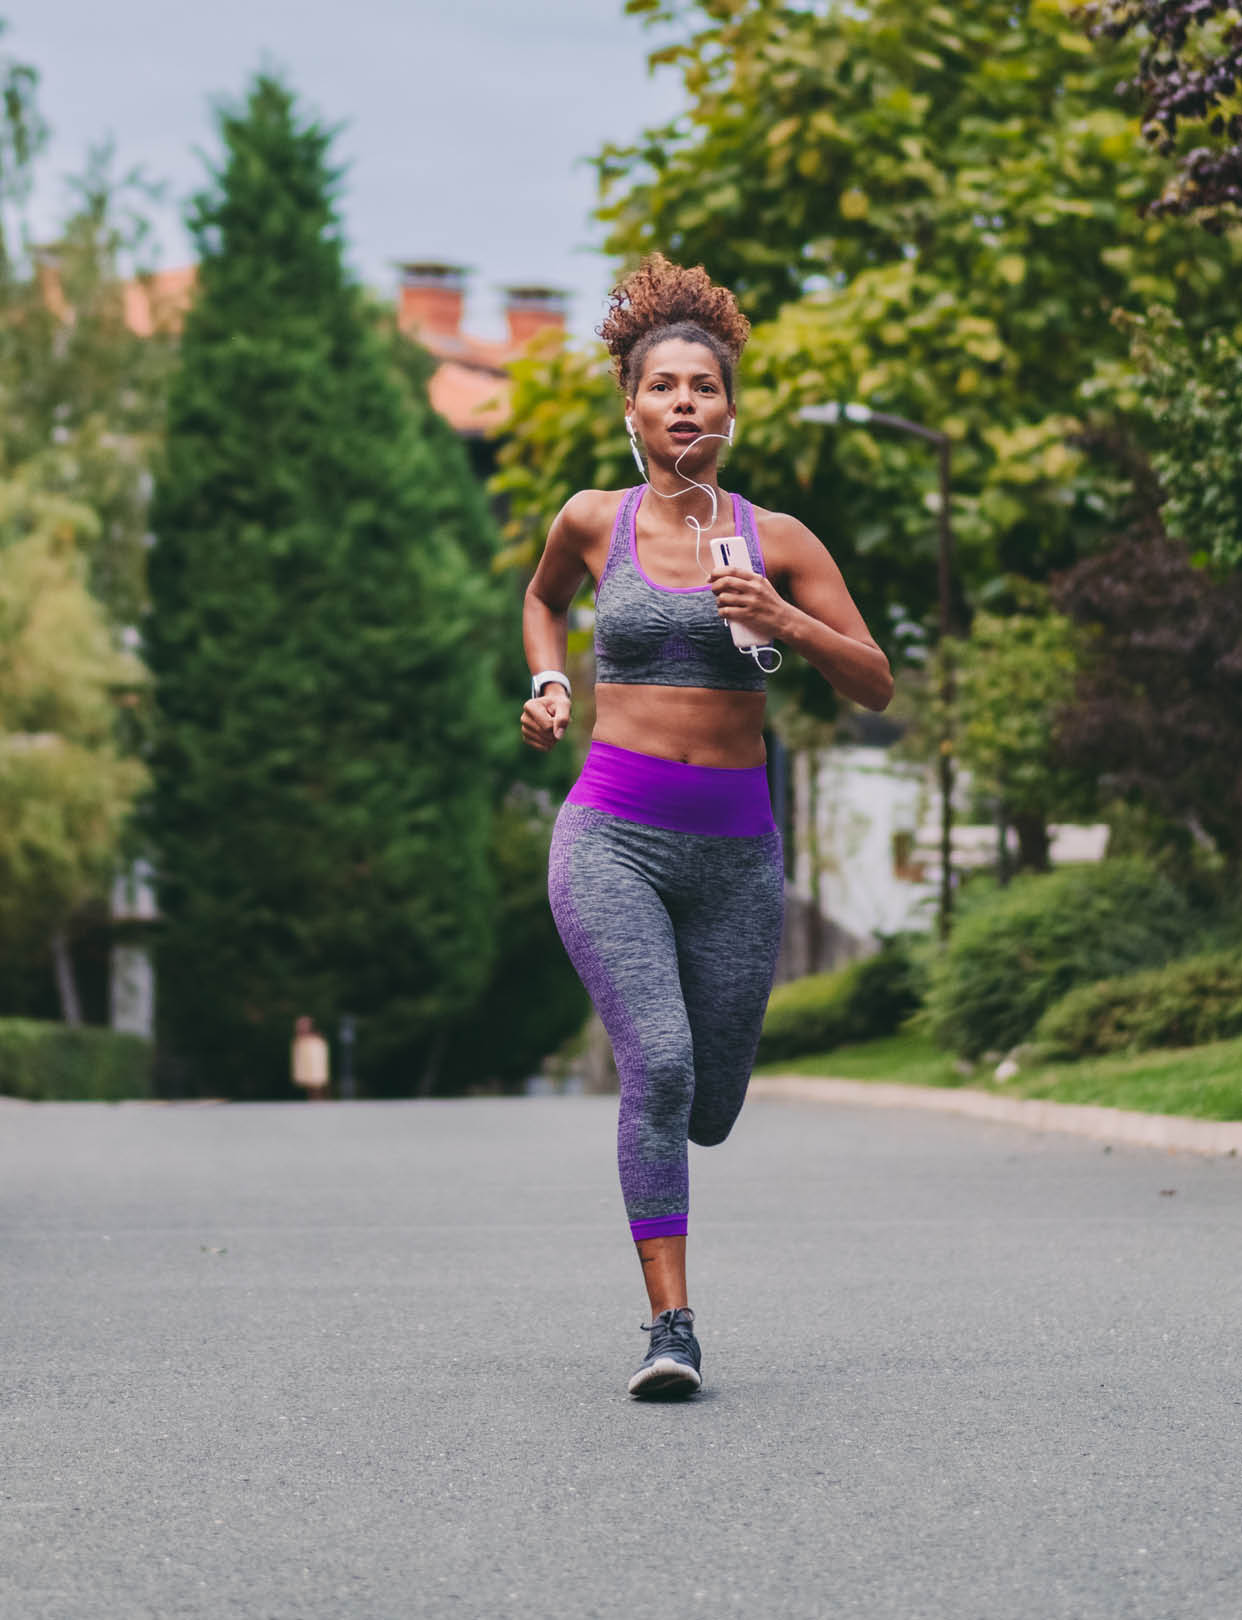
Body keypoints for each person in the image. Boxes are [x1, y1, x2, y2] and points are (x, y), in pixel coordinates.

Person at [521, 254, 893, 1398]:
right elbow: (541, 601)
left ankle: (685, 1141)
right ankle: (670, 1327)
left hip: (736, 857)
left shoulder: (778, 540)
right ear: (631, 407)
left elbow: (873, 681)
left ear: (731, 410)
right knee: (663, 1067)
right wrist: (546, 684)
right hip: (613, 836)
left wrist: (782, 617)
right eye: (663, 385)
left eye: (706, 386)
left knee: (712, 1100)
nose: (685, 401)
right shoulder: (593, 522)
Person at [290, 1015, 330, 1102]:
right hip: (308, 1068)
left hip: (314, 1068)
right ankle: (315, 1101)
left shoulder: (316, 1040)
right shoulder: (300, 1040)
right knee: (311, 1087)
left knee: (316, 1086)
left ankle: (320, 1100)